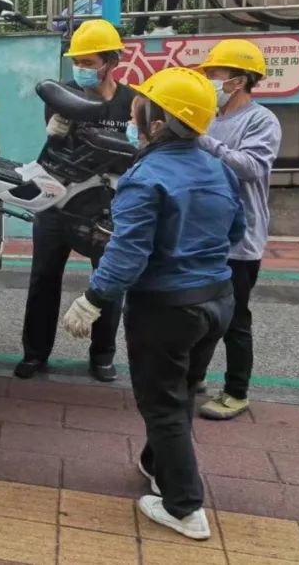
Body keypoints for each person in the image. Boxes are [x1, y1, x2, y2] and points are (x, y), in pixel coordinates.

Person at [62, 66, 244, 541]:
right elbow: (236, 234)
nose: (134, 110)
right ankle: (158, 462)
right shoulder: (217, 167)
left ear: (160, 121)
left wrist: (94, 298)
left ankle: (184, 507)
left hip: (167, 309)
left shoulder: (146, 178)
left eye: (144, 105)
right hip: (217, 300)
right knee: (183, 389)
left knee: (162, 403)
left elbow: (128, 253)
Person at [14, 19, 135, 383]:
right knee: (44, 280)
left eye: (89, 62)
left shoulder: (133, 102)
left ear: (111, 61)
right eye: (77, 62)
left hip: (106, 210)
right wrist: (57, 126)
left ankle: (102, 355)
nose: (82, 70)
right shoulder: (64, 96)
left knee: (108, 282)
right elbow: (54, 145)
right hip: (58, 204)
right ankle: (35, 353)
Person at [194, 39, 282, 420]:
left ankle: (236, 391)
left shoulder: (261, 120)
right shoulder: (210, 116)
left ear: (241, 79)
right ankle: (194, 376)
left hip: (240, 238)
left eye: (216, 73)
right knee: (198, 311)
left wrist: (202, 141)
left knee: (234, 317)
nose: (210, 79)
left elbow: (250, 167)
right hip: (204, 233)